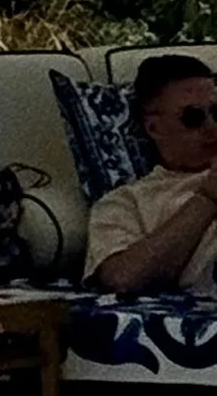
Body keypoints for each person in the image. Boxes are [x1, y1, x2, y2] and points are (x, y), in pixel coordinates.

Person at [88, 58, 217, 295]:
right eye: (193, 118)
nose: (212, 127)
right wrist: (207, 198)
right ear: (154, 128)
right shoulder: (126, 202)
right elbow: (123, 279)